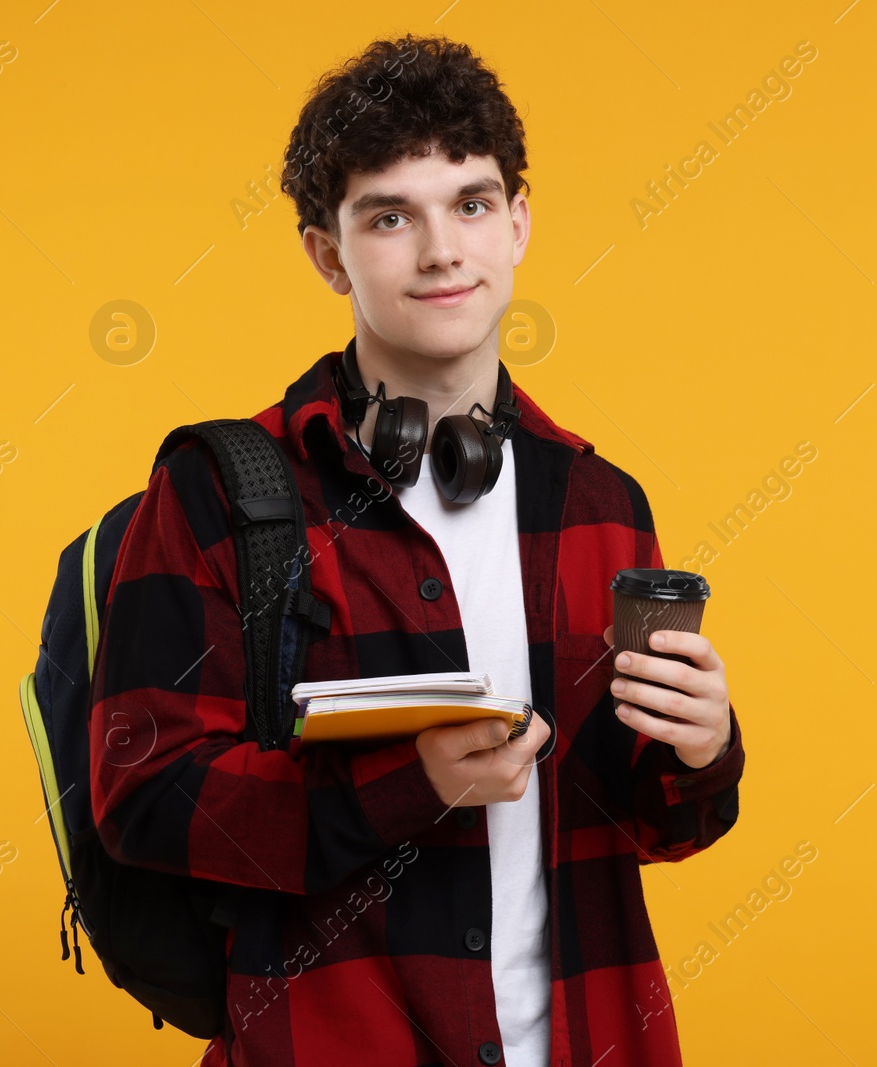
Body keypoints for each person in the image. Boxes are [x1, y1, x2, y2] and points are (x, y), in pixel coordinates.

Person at [88, 34, 744, 1067]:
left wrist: (704, 747)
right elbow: (143, 800)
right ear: (325, 251)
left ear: (518, 223)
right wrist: (405, 780)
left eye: (471, 204)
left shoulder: (601, 503)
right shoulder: (219, 489)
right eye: (390, 216)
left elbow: (662, 824)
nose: (443, 251)